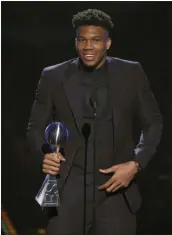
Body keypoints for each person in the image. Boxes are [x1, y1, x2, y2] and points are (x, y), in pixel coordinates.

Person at [27, 9, 163, 235]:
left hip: (116, 192)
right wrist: (44, 153)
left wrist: (136, 163)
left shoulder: (131, 73)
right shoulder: (54, 76)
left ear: (108, 43)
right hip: (67, 191)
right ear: (75, 42)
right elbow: (35, 129)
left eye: (95, 40)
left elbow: (154, 123)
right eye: (82, 40)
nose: (88, 46)